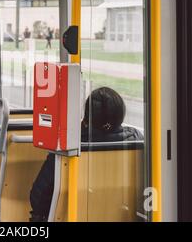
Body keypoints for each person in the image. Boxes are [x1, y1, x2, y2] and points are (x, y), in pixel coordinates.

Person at [29, 87, 144, 222]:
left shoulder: (68, 146)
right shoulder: (136, 140)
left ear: (88, 115)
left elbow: (39, 197)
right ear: (120, 114)